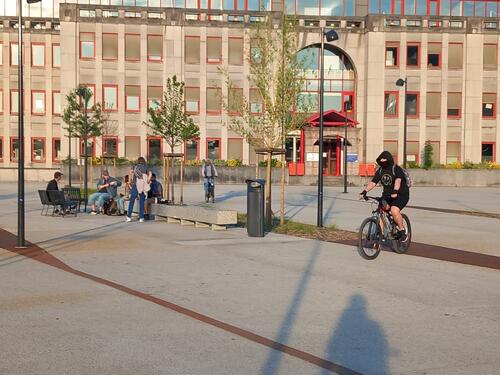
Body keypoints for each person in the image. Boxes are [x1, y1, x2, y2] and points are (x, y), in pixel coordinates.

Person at [359, 151, 410, 240]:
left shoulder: (396, 169)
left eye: (385, 160)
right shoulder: (381, 170)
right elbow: (373, 182)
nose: (383, 162)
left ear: (389, 160)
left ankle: (402, 231)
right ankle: (380, 234)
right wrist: (364, 191)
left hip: (401, 195)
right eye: (381, 161)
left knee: (394, 211)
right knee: (381, 210)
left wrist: (395, 191)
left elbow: (398, 181)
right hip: (387, 195)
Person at [126, 156, 152, 223]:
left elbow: (130, 173)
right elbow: (150, 174)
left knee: (132, 201)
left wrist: (129, 181)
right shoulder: (146, 167)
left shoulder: (135, 166)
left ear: (138, 161)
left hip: (135, 185)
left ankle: (129, 217)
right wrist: (148, 180)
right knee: (141, 201)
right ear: (144, 161)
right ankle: (141, 217)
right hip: (142, 186)